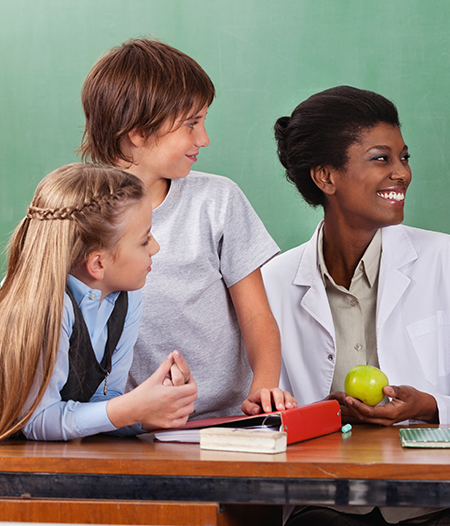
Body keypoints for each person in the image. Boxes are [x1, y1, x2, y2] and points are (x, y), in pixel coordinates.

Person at [263, 86, 450, 526]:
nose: (402, 173)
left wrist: (428, 407)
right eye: (381, 159)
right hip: (326, 496)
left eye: (404, 157)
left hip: (438, 497)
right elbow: (270, 408)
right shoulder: (276, 282)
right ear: (326, 176)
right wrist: (320, 413)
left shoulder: (445, 258)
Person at [79, 39, 294, 418]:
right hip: (124, 424)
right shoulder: (77, 211)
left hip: (224, 420)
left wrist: (264, 386)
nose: (204, 139)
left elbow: (257, 315)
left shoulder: (218, 200)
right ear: (138, 132)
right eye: (191, 124)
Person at [0, 163, 197, 447]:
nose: (155, 247)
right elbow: (36, 420)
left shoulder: (126, 298)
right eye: (144, 239)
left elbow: (101, 405)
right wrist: (133, 407)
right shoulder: (52, 307)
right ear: (98, 263)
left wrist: (148, 410)